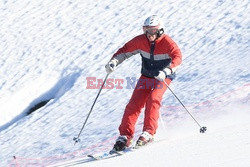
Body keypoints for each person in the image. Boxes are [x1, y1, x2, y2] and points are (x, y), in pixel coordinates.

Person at [105, 15, 182, 151]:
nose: (149, 34)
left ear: (160, 31)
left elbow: (177, 57)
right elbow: (124, 51)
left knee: (153, 99)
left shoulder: (168, 43)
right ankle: (125, 136)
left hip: (163, 77)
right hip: (146, 76)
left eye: (153, 31)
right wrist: (114, 62)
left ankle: (148, 133)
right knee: (133, 104)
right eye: (146, 30)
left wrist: (166, 71)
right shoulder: (141, 41)